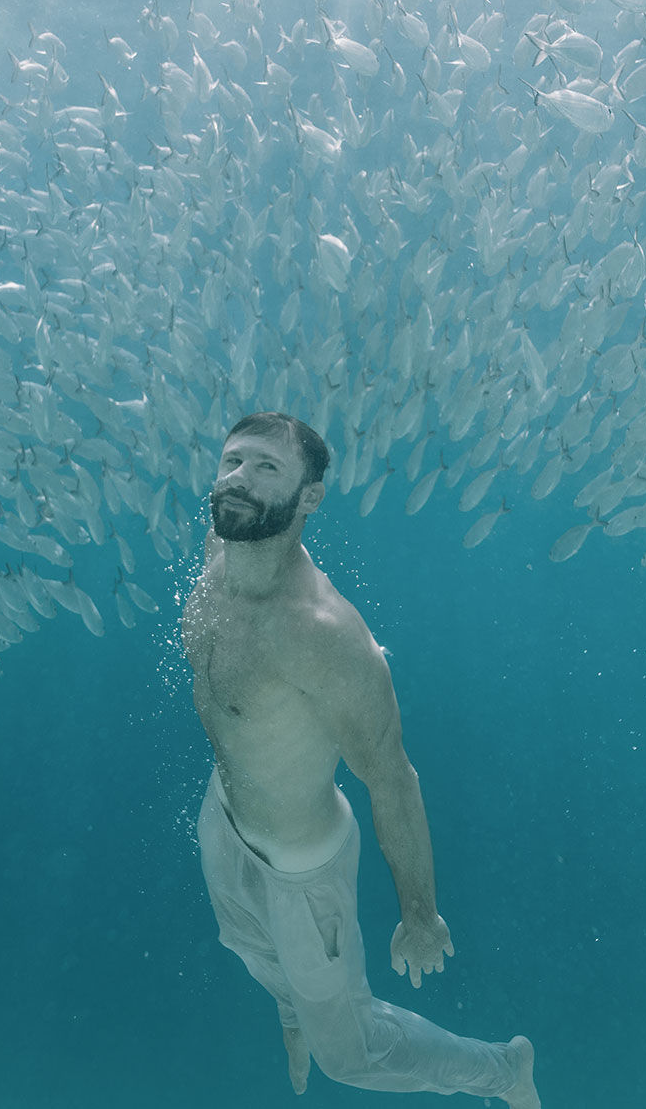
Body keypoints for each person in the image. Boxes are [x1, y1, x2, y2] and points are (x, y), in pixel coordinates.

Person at [182, 411, 540, 1104]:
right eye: (233, 460)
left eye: (266, 469)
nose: (238, 480)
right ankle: (296, 1004)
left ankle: (500, 1070)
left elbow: (391, 776)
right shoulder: (217, 552)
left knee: (350, 1054)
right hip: (224, 816)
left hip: (301, 866)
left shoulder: (323, 635)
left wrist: (419, 913)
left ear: (308, 499)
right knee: (243, 943)